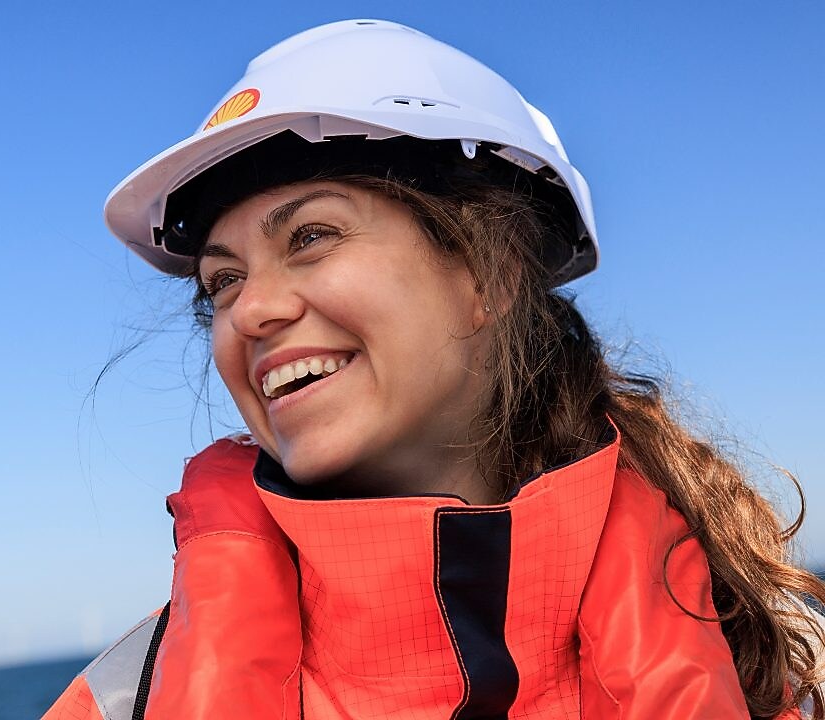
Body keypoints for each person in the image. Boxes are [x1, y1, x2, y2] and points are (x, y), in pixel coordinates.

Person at [45, 19, 825, 720]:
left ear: (491, 274)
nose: (250, 311)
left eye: (311, 236)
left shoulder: (779, 654)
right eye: (223, 281)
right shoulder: (120, 703)